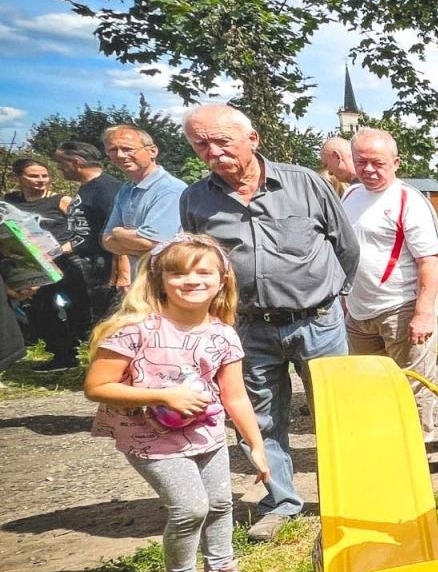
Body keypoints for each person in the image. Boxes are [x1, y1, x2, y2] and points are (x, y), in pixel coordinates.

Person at [179, 104, 359, 542]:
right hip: (247, 328)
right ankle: (281, 502)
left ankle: (348, 496)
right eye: (202, 144)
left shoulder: (306, 183)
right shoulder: (195, 200)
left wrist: (335, 297)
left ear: (253, 140)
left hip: (318, 321)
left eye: (223, 141)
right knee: (259, 419)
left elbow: (346, 248)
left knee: (337, 414)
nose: (213, 152)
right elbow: (198, 263)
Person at [84, 233, 269, 572]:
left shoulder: (222, 334)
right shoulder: (135, 329)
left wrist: (255, 443)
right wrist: (165, 395)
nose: (192, 281)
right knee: (190, 508)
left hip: (208, 436)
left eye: (204, 273)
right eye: (179, 273)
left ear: (223, 280)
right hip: (152, 441)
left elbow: (234, 396)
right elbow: (97, 387)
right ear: (159, 279)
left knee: (220, 504)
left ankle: (221, 569)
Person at [341, 128, 438, 433]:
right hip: (359, 312)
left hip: (402, 309)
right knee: (369, 386)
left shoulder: (409, 201)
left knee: (411, 388)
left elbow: (429, 260)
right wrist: (346, 302)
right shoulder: (350, 195)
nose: (369, 170)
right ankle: (382, 449)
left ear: (396, 162)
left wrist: (424, 314)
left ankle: (416, 454)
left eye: (378, 163)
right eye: (361, 162)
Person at [3, 157, 74, 368]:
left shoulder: (62, 200)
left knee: (75, 310)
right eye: (33, 176)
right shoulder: (10, 202)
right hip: (30, 265)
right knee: (40, 310)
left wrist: (58, 251)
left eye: (44, 175)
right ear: (17, 177)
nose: (41, 180)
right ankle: (61, 356)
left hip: (63, 260)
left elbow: (82, 232)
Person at [101, 124, 186, 297]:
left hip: (164, 287)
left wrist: (119, 233)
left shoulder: (170, 189)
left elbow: (151, 243)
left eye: (127, 148)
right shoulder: (125, 190)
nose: (120, 155)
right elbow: (106, 240)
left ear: (153, 151)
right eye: (112, 150)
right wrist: (134, 241)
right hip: (137, 286)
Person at [53, 141, 122, 342]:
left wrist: (118, 273)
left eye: (60, 163)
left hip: (101, 265)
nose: (59, 168)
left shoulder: (106, 189)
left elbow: (117, 230)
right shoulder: (88, 188)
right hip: (85, 265)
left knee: (103, 319)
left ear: (76, 162)